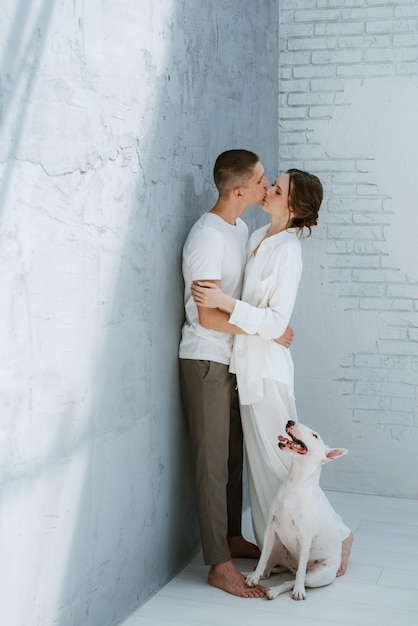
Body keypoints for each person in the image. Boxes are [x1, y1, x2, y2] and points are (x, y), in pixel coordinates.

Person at [192, 168, 354, 576]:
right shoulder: (254, 236)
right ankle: (279, 546)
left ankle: (337, 532)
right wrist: (257, 321)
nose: (269, 191)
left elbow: (276, 321)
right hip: (247, 366)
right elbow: (270, 323)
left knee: (287, 466)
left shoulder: (288, 251)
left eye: (277, 190)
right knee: (264, 466)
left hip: (267, 371)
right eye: (273, 184)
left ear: (294, 207)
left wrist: (223, 302)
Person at [179, 150, 293, 598]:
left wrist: (270, 326)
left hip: (235, 360)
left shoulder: (243, 228)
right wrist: (267, 331)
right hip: (205, 358)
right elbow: (207, 318)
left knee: (231, 459)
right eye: (263, 180)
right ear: (240, 190)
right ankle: (218, 565)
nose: (268, 186)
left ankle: (230, 536)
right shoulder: (205, 238)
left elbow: (245, 298)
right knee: (211, 465)